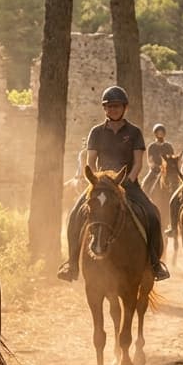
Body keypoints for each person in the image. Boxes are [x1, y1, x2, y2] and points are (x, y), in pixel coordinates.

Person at [56, 86, 170, 282]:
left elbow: (137, 162)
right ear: (104, 109)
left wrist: (129, 180)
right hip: (101, 185)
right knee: (75, 214)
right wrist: (96, 179)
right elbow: (90, 162)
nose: (113, 110)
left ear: (124, 108)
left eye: (116, 106)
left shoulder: (134, 132)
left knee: (152, 214)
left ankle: (154, 263)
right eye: (109, 107)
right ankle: (72, 264)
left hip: (127, 183)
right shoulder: (96, 132)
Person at [141, 123, 175, 199]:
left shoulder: (168, 146)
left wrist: (166, 167)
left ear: (164, 133)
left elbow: (172, 158)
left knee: (175, 183)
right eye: (158, 132)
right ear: (155, 133)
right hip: (155, 170)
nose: (160, 134)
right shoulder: (151, 146)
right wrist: (155, 166)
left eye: (162, 132)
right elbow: (150, 160)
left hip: (167, 170)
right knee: (145, 183)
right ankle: (145, 199)